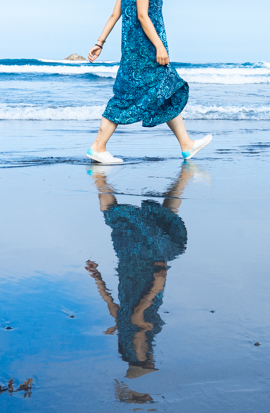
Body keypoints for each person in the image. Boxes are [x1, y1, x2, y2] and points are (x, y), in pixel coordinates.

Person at [86, 0, 212, 164]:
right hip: (145, 51)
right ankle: (98, 146)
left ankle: (186, 145)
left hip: (133, 50)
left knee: (165, 89)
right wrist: (159, 47)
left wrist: (99, 42)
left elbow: (115, 14)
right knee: (131, 95)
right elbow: (143, 16)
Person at [85, 163, 202, 385]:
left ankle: (184, 176)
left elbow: (138, 317)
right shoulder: (123, 331)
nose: (152, 362)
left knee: (167, 227)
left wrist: (157, 285)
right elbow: (112, 306)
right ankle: (99, 178)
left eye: (149, 365)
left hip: (148, 273)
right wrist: (97, 277)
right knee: (117, 221)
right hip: (129, 264)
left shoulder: (138, 348)